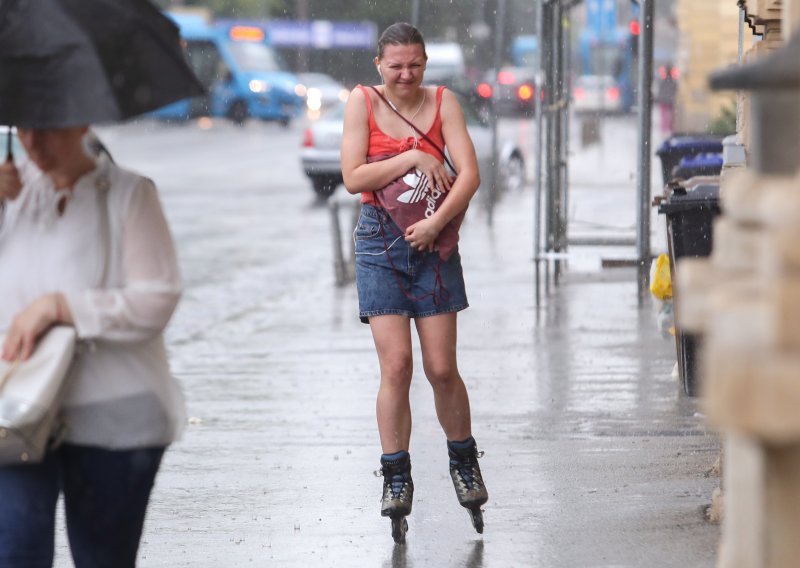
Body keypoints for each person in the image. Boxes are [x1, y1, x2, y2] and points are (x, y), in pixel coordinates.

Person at [0, 125, 184, 568]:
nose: (33, 143)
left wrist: (64, 308)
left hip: (115, 417)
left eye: (48, 130)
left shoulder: (129, 194)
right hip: (17, 409)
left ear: (82, 123)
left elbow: (157, 298)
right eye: (25, 129)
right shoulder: (14, 194)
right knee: (15, 552)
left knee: (103, 558)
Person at [340, 22, 488, 540]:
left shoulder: (445, 101)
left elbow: (469, 174)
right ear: (378, 65)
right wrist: (411, 155)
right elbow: (354, 177)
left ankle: (464, 462)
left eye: (415, 65)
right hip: (379, 243)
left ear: (425, 63)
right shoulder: (362, 101)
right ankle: (396, 476)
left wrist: (434, 222)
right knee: (397, 366)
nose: (406, 75)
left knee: (442, 368)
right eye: (396, 65)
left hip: (434, 239)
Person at [656, 64, 678, 136]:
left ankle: (665, 129)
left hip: (664, 100)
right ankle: (669, 129)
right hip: (669, 100)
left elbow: (660, 89)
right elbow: (675, 89)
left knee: (664, 116)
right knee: (670, 116)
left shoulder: (663, 80)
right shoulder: (672, 81)